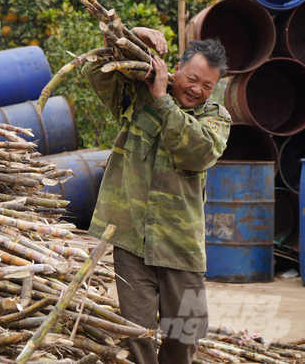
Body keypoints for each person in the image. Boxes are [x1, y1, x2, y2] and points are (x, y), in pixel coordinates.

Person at [82, 29, 231, 364]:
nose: (197, 89)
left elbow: (198, 152)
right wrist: (126, 38)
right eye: (192, 79)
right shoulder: (137, 96)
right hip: (132, 236)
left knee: (188, 328)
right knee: (137, 333)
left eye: (207, 86)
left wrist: (163, 99)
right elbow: (93, 70)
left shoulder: (216, 118)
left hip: (181, 245)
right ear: (175, 68)